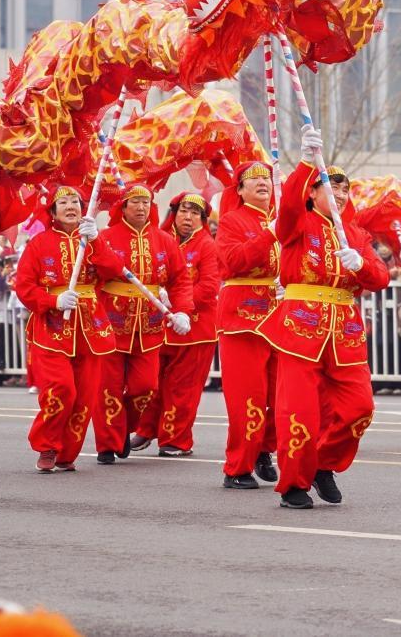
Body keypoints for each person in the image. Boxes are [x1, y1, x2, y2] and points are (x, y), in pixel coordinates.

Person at [258, 129, 390, 508]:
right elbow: (286, 212)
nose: (340, 195)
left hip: (345, 329)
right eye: (330, 188)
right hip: (300, 324)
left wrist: (362, 263)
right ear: (313, 194)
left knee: (359, 406)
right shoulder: (298, 223)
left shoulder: (355, 234)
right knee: (296, 410)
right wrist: (304, 160)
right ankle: (294, 483)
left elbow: (379, 278)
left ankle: (324, 464)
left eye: (345, 189)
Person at [14, 186, 125, 473]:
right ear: (52, 212)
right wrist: (53, 300)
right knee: (60, 388)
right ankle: (47, 444)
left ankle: (67, 453)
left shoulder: (91, 239)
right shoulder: (38, 243)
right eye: (62, 202)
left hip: (90, 325)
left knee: (85, 395)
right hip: (52, 326)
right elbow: (24, 287)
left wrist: (97, 240)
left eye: (75, 201)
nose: (70, 206)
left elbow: (113, 270)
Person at [96, 186, 194, 464]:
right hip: (111, 323)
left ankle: (122, 426)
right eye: (134, 202)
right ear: (123, 207)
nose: (140, 207)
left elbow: (180, 279)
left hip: (149, 325)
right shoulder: (105, 238)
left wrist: (183, 309)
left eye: (145, 202)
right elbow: (95, 275)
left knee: (146, 387)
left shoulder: (164, 240)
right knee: (108, 388)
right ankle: (107, 444)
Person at [134, 192, 219, 459]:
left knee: (183, 388)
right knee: (152, 382)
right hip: (160, 326)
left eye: (195, 214)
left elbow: (208, 286)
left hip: (195, 328)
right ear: (174, 213)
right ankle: (146, 429)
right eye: (184, 211)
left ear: (203, 220)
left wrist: (179, 302)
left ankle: (176, 438)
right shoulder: (159, 240)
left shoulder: (207, 245)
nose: (188, 218)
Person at [214, 161, 281, 490]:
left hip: (282, 317)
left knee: (281, 393)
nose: (262, 183)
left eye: (266, 178)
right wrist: (271, 235)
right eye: (252, 180)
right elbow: (234, 261)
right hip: (243, 317)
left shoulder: (282, 218)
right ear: (239, 190)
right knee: (248, 396)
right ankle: (237, 466)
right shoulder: (231, 221)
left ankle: (264, 449)